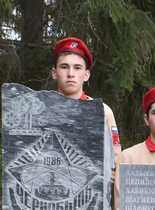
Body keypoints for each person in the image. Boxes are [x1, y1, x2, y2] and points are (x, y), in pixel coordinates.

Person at [51, 36, 120, 169]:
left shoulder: (102, 111)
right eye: (64, 67)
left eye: (77, 68)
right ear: (54, 73)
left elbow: (115, 162)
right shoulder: (41, 109)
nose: (70, 74)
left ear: (86, 74)